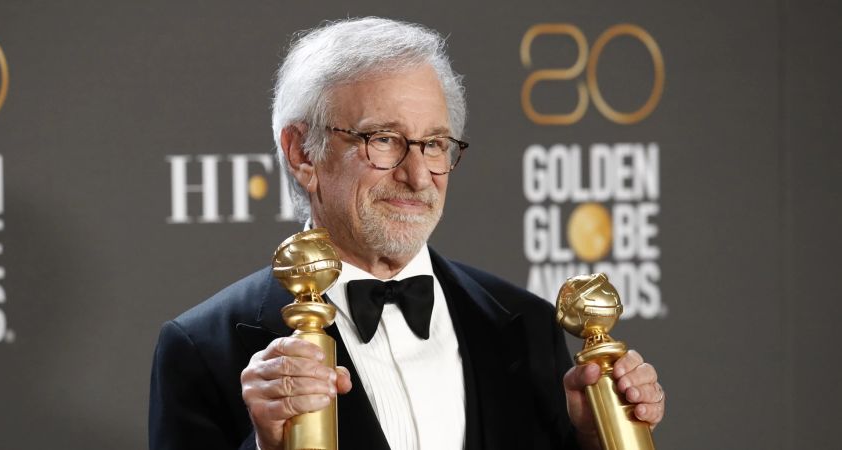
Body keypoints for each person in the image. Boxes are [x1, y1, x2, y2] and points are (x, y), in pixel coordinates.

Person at [149, 17, 665, 450]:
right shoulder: (203, 348)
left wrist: (593, 442)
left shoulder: (526, 323)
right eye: (383, 140)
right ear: (303, 152)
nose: (418, 177)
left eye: (435, 144)